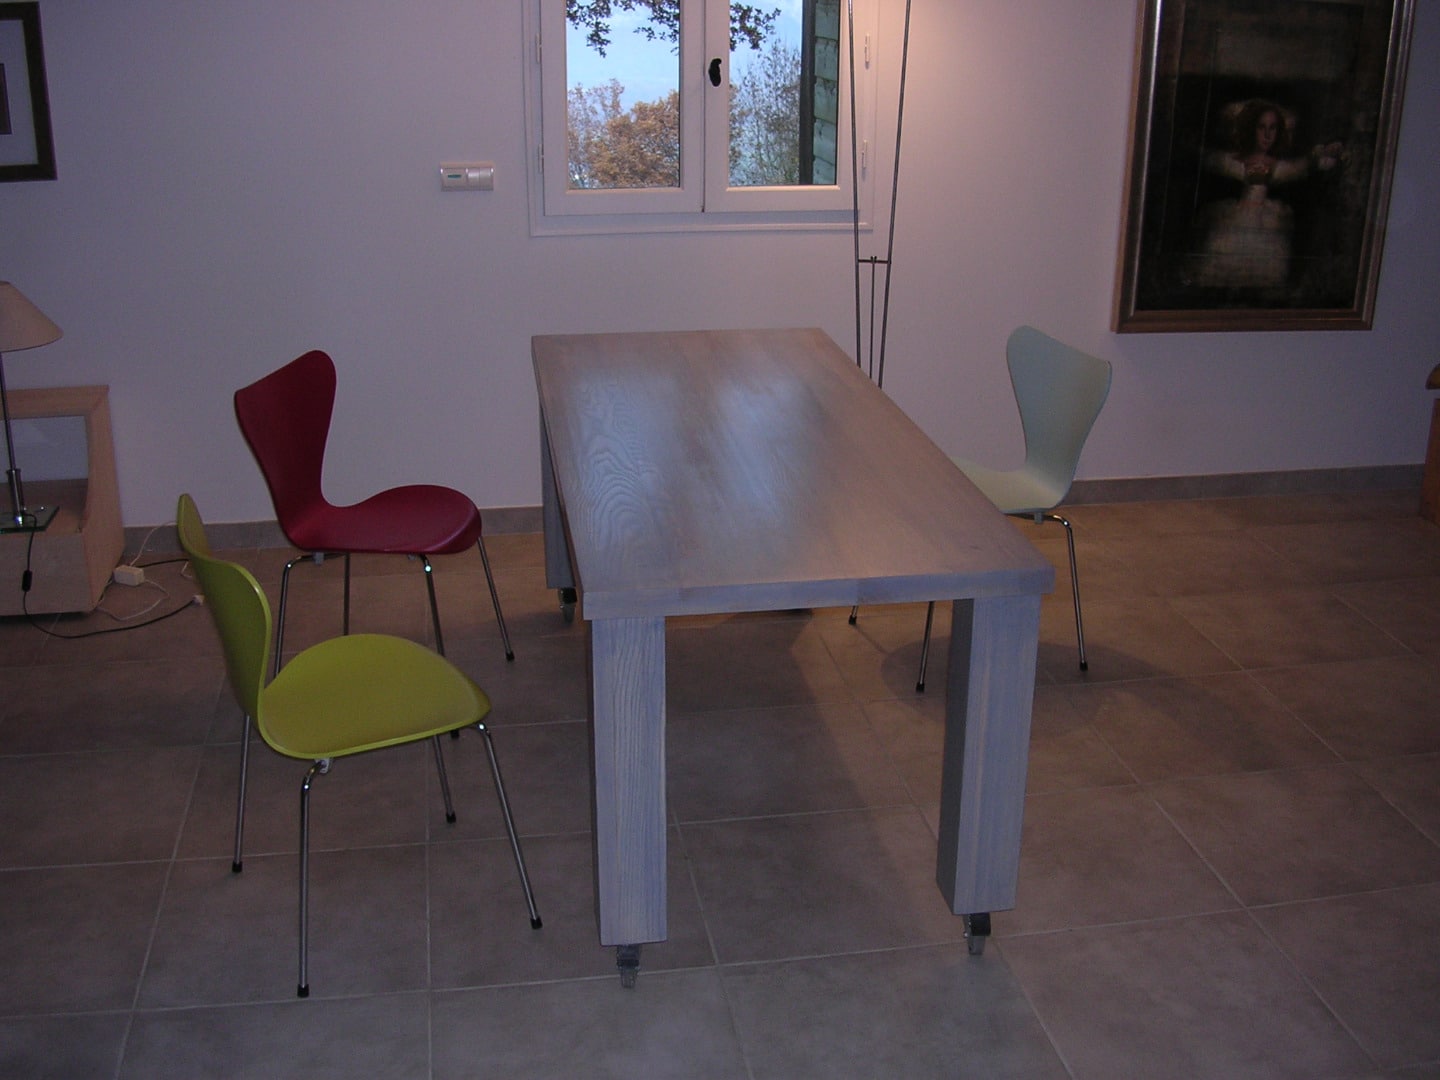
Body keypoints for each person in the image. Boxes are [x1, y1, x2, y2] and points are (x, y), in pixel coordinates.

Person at [1193, 98, 1344, 290]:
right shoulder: (1235, 162)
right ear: (1251, 129)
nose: (1266, 135)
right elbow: (1212, 159)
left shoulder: (1279, 167)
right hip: (1237, 220)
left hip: (1266, 225)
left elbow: (1302, 166)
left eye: (1272, 128)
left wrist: (1322, 157)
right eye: (1261, 127)